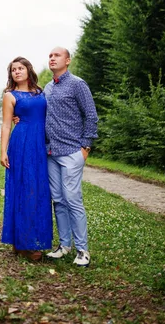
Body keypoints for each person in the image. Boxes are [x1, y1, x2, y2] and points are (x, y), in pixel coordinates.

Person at [44, 47, 98, 267]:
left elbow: (91, 115)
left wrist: (86, 146)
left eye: (56, 55)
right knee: (58, 199)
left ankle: (82, 250)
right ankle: (64, 245)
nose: (52, 58)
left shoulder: (77, 84)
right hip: (51, 153)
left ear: (67, 60)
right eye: (49, 56)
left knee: (72, 198)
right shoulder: (47, 88)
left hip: (72, 151)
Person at [0, 56, 53, 261]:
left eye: (21, 68)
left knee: (38, 191)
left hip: (40, 145)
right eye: (13, 70)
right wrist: (3, 151)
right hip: (21, 144)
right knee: (23, 189)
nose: (17, 72)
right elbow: (6, 125)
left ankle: (29, 239)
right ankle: (23, 243)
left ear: (28, 70)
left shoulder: (42, 93)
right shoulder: (9, 96)